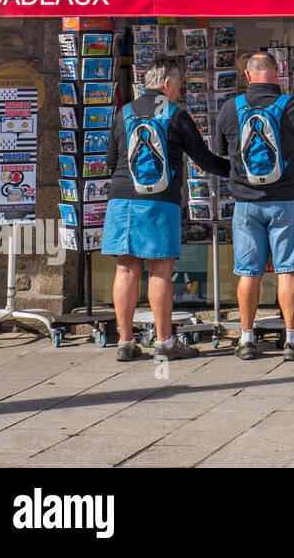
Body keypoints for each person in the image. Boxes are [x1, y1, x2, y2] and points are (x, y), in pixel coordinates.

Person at [102, 56, 230, 362]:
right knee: (159, 271)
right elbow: (204, 159)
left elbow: (110, 161)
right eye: (179, 85)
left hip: (122, 199)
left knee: (125, 268)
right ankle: (164, 341)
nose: (180, 91)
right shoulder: (175, 114)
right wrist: (238, 170)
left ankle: (125, 341)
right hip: (159, 201)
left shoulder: (125, 112)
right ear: (167, 84)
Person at [214, 52, 294, 361]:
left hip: (246, 204)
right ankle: (291, 340)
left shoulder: (230, 108)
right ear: (278, 73)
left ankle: (246, 339)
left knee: (248, 272)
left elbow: (221, 151)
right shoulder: (293, 107)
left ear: (248, 76)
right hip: (286, 201)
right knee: (288, 270)